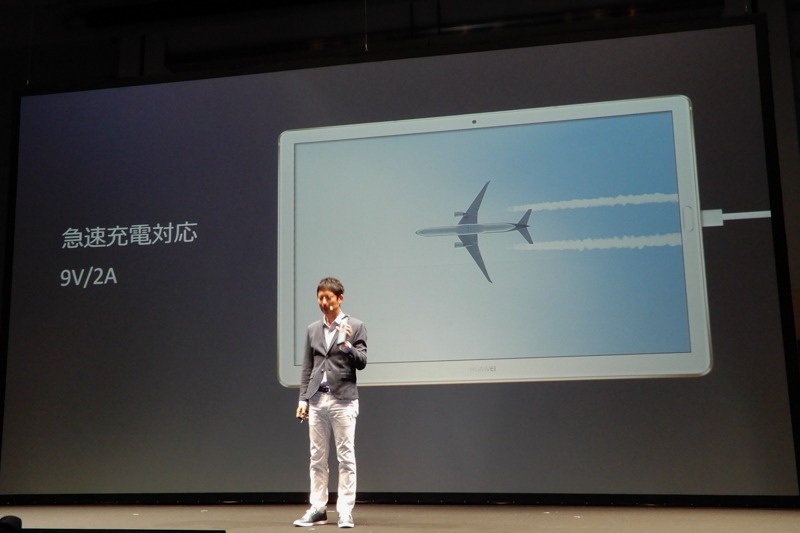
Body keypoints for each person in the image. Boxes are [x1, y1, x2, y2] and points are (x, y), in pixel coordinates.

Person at [293, 277, 367, 529]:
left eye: (329, 298)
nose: (324, 302)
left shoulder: (355, 326)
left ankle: (345, 511)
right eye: (320, 298)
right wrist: (303, 398)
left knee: (345, 458)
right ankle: (318, 508)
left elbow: (362, 361)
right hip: (317, 399)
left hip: (343, 399)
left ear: (340, 298)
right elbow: (308, 367)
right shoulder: (313, 329)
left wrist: (346, 346)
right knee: (317, 457)